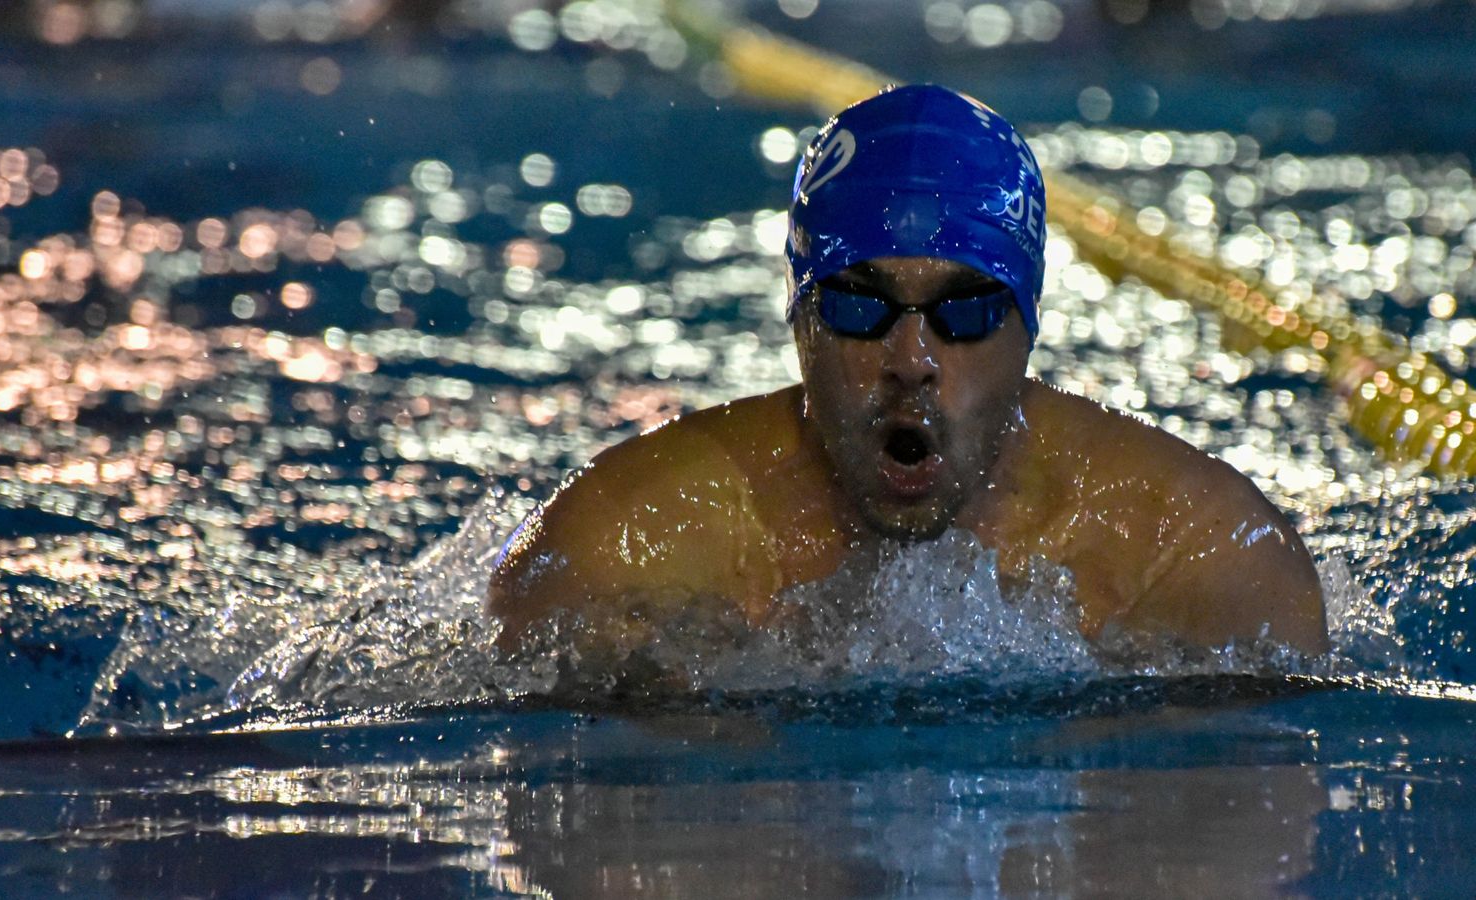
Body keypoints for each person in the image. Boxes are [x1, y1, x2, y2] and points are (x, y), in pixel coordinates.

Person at [488, 84, 1327, 666]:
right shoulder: (622, 544)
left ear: (1029, 326)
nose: (912, 362)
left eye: (963, 311)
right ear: (799, 317)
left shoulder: (1197, 556)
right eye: (861, 307)